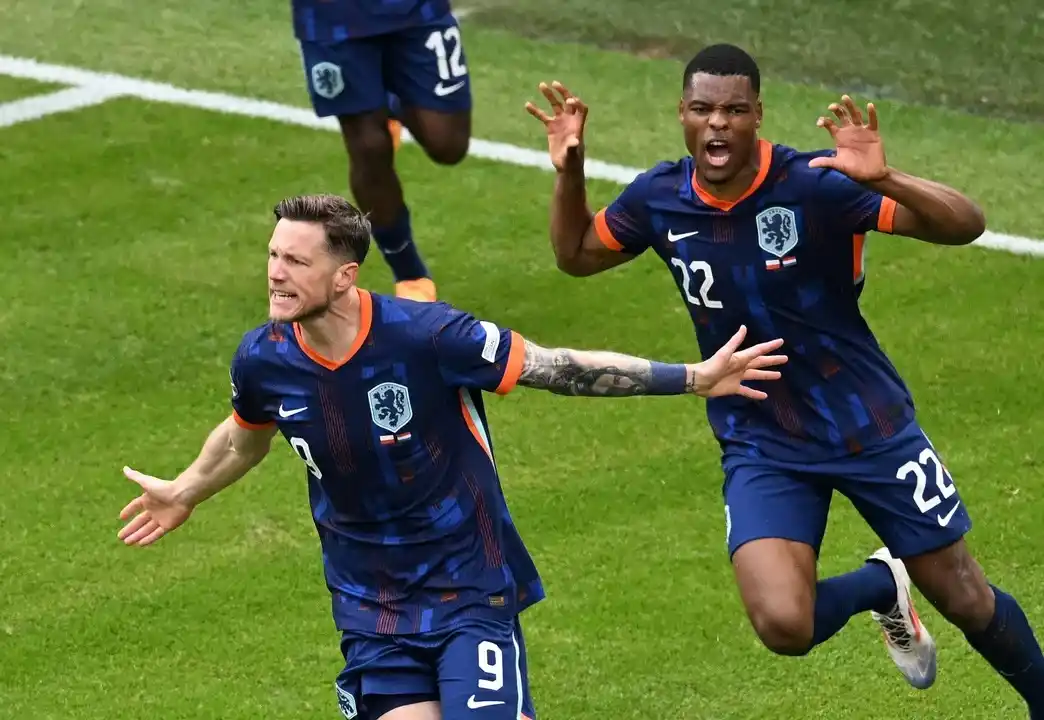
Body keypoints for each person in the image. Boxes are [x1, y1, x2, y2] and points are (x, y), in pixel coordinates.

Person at [116, 194, 787, 720]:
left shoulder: (429, 337)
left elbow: (554, 367)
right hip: (369, 606)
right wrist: (186, 490)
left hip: (468, 586)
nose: (275, 271)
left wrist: (691, 377)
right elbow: (244, 436)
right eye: (272, 255)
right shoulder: (265, 357)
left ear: (345, 275)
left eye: (295, 261)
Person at [525, 43, 1044, 715]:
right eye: (704, 109)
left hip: (867, 424)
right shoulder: (659, 197)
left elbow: (964, 224)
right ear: (681, 114)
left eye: (735, 110)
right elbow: (575, 255)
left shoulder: (815, 185)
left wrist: (887, 180)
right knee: (782, 625)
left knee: (967, 597)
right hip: (761, 436)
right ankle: (879, 587)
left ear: (759, 115)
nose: (719, 125)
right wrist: (571, 171)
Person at [291, 0, 475, 302]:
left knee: (448, 144)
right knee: (368, 145)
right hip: (332, 16)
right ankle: (409, 271)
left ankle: (386, 100)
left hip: (416, 10)